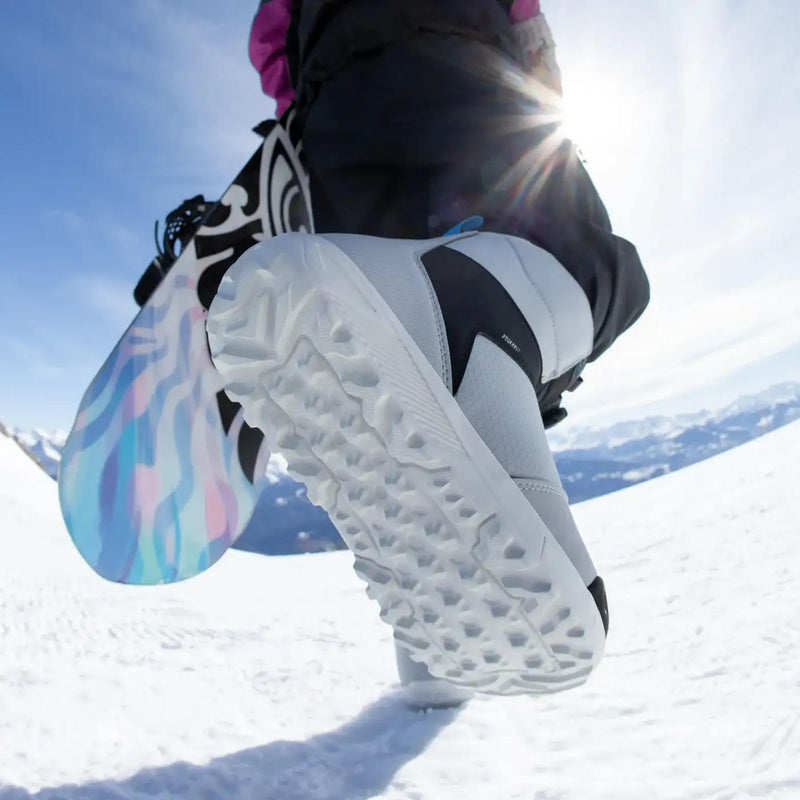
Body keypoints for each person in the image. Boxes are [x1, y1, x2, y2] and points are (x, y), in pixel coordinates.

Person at [216, 0, 650, 707]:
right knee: (597, 273)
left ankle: (435, 658)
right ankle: (467, 308)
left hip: (334, 124)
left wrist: (305, 109)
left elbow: (271, 41)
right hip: (468, 62)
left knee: (399, 360)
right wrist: (541, 71)